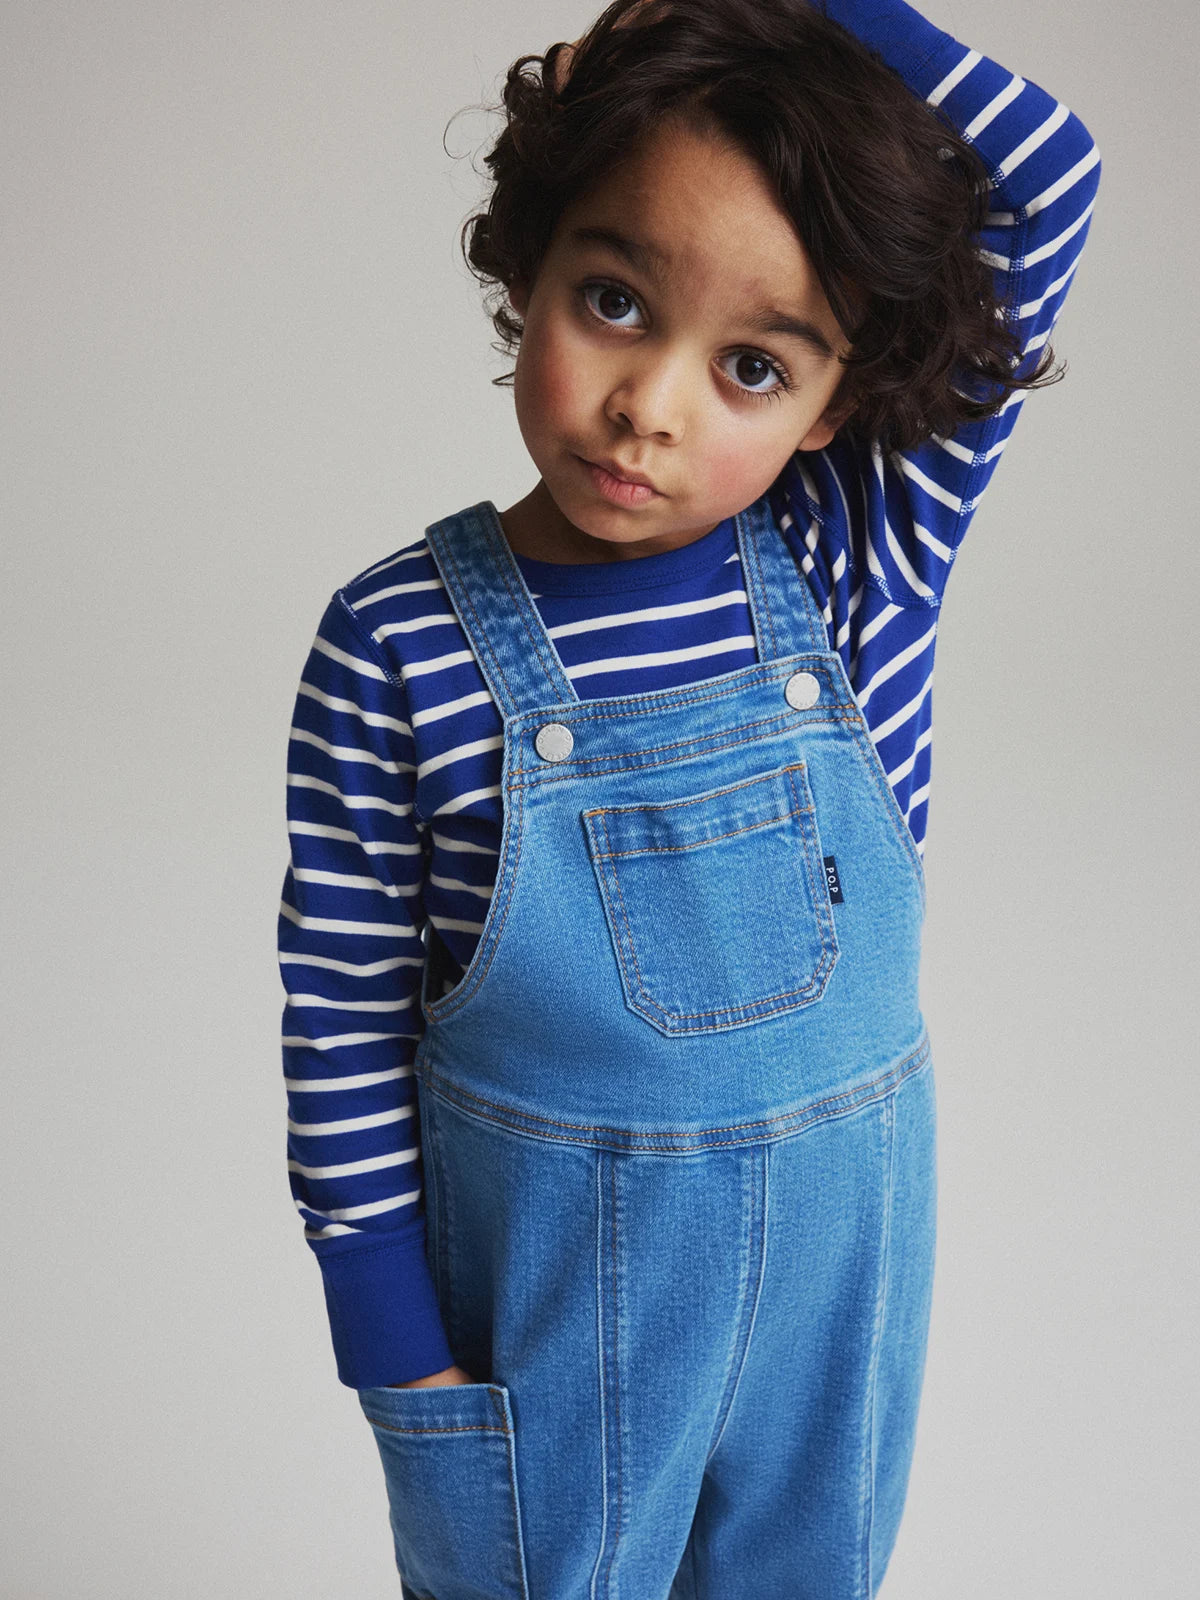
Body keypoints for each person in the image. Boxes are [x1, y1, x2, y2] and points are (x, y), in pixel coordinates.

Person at [277, 1, 1100, 1594]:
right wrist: (394, 1350)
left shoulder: (861, 565)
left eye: (752, 366)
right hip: (551, 1335)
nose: (652, 405)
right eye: (613, 301)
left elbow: (1048, 172)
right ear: (528, 264)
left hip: (833, 1318)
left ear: (838, 400)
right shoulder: (398, 643)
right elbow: (341, 1018)